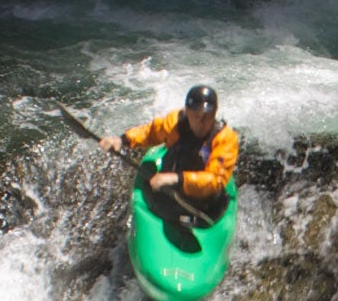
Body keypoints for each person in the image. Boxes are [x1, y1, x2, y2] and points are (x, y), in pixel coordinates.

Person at [100, 83, 241, 222]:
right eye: (196, 116)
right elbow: (150, 132)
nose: (201, 122)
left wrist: (176, 178)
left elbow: (215, 181)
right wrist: (121, 140)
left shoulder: (226, 138)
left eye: (206, 116)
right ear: (187, 111)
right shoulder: (175, 123)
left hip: (206, 204)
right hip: (169, 193)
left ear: (215, 113)